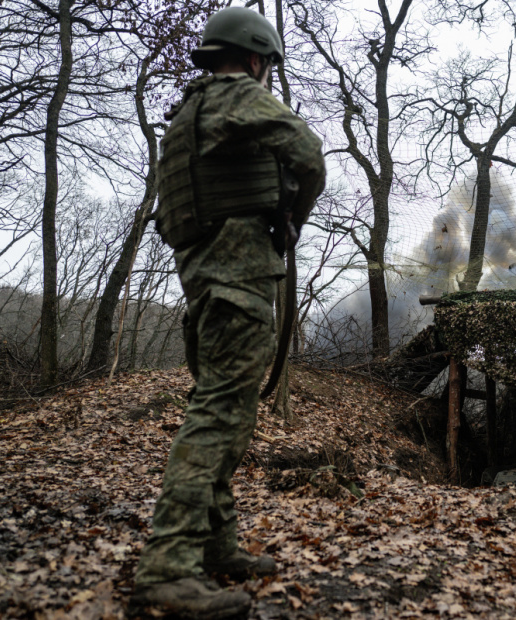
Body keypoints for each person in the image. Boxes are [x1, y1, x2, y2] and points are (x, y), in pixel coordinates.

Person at [129, 7, 325, 618]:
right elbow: (309, 153)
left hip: (205, 278)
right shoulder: (236, 94)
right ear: (256, 58)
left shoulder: (187, 115)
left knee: (227, 410)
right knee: (219, 415)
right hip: (237, 277)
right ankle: (167, 566)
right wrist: (294, 218)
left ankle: (215, 543)